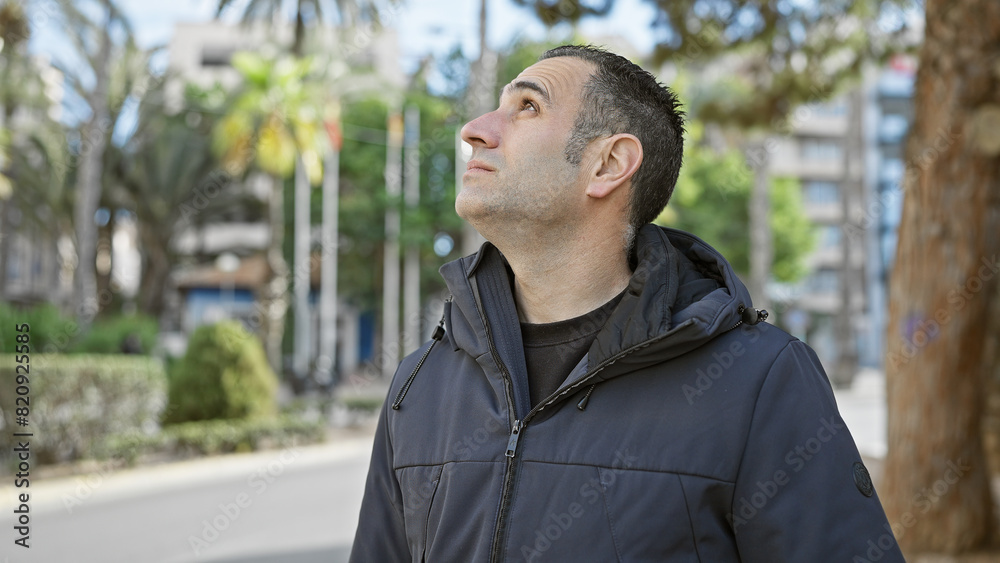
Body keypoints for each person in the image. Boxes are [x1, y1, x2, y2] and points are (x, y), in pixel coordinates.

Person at [349, 44, 903, 562]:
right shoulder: (419, 385)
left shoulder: (761, 382)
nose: (474, 131)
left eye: (527, 107)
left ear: (609, 164)